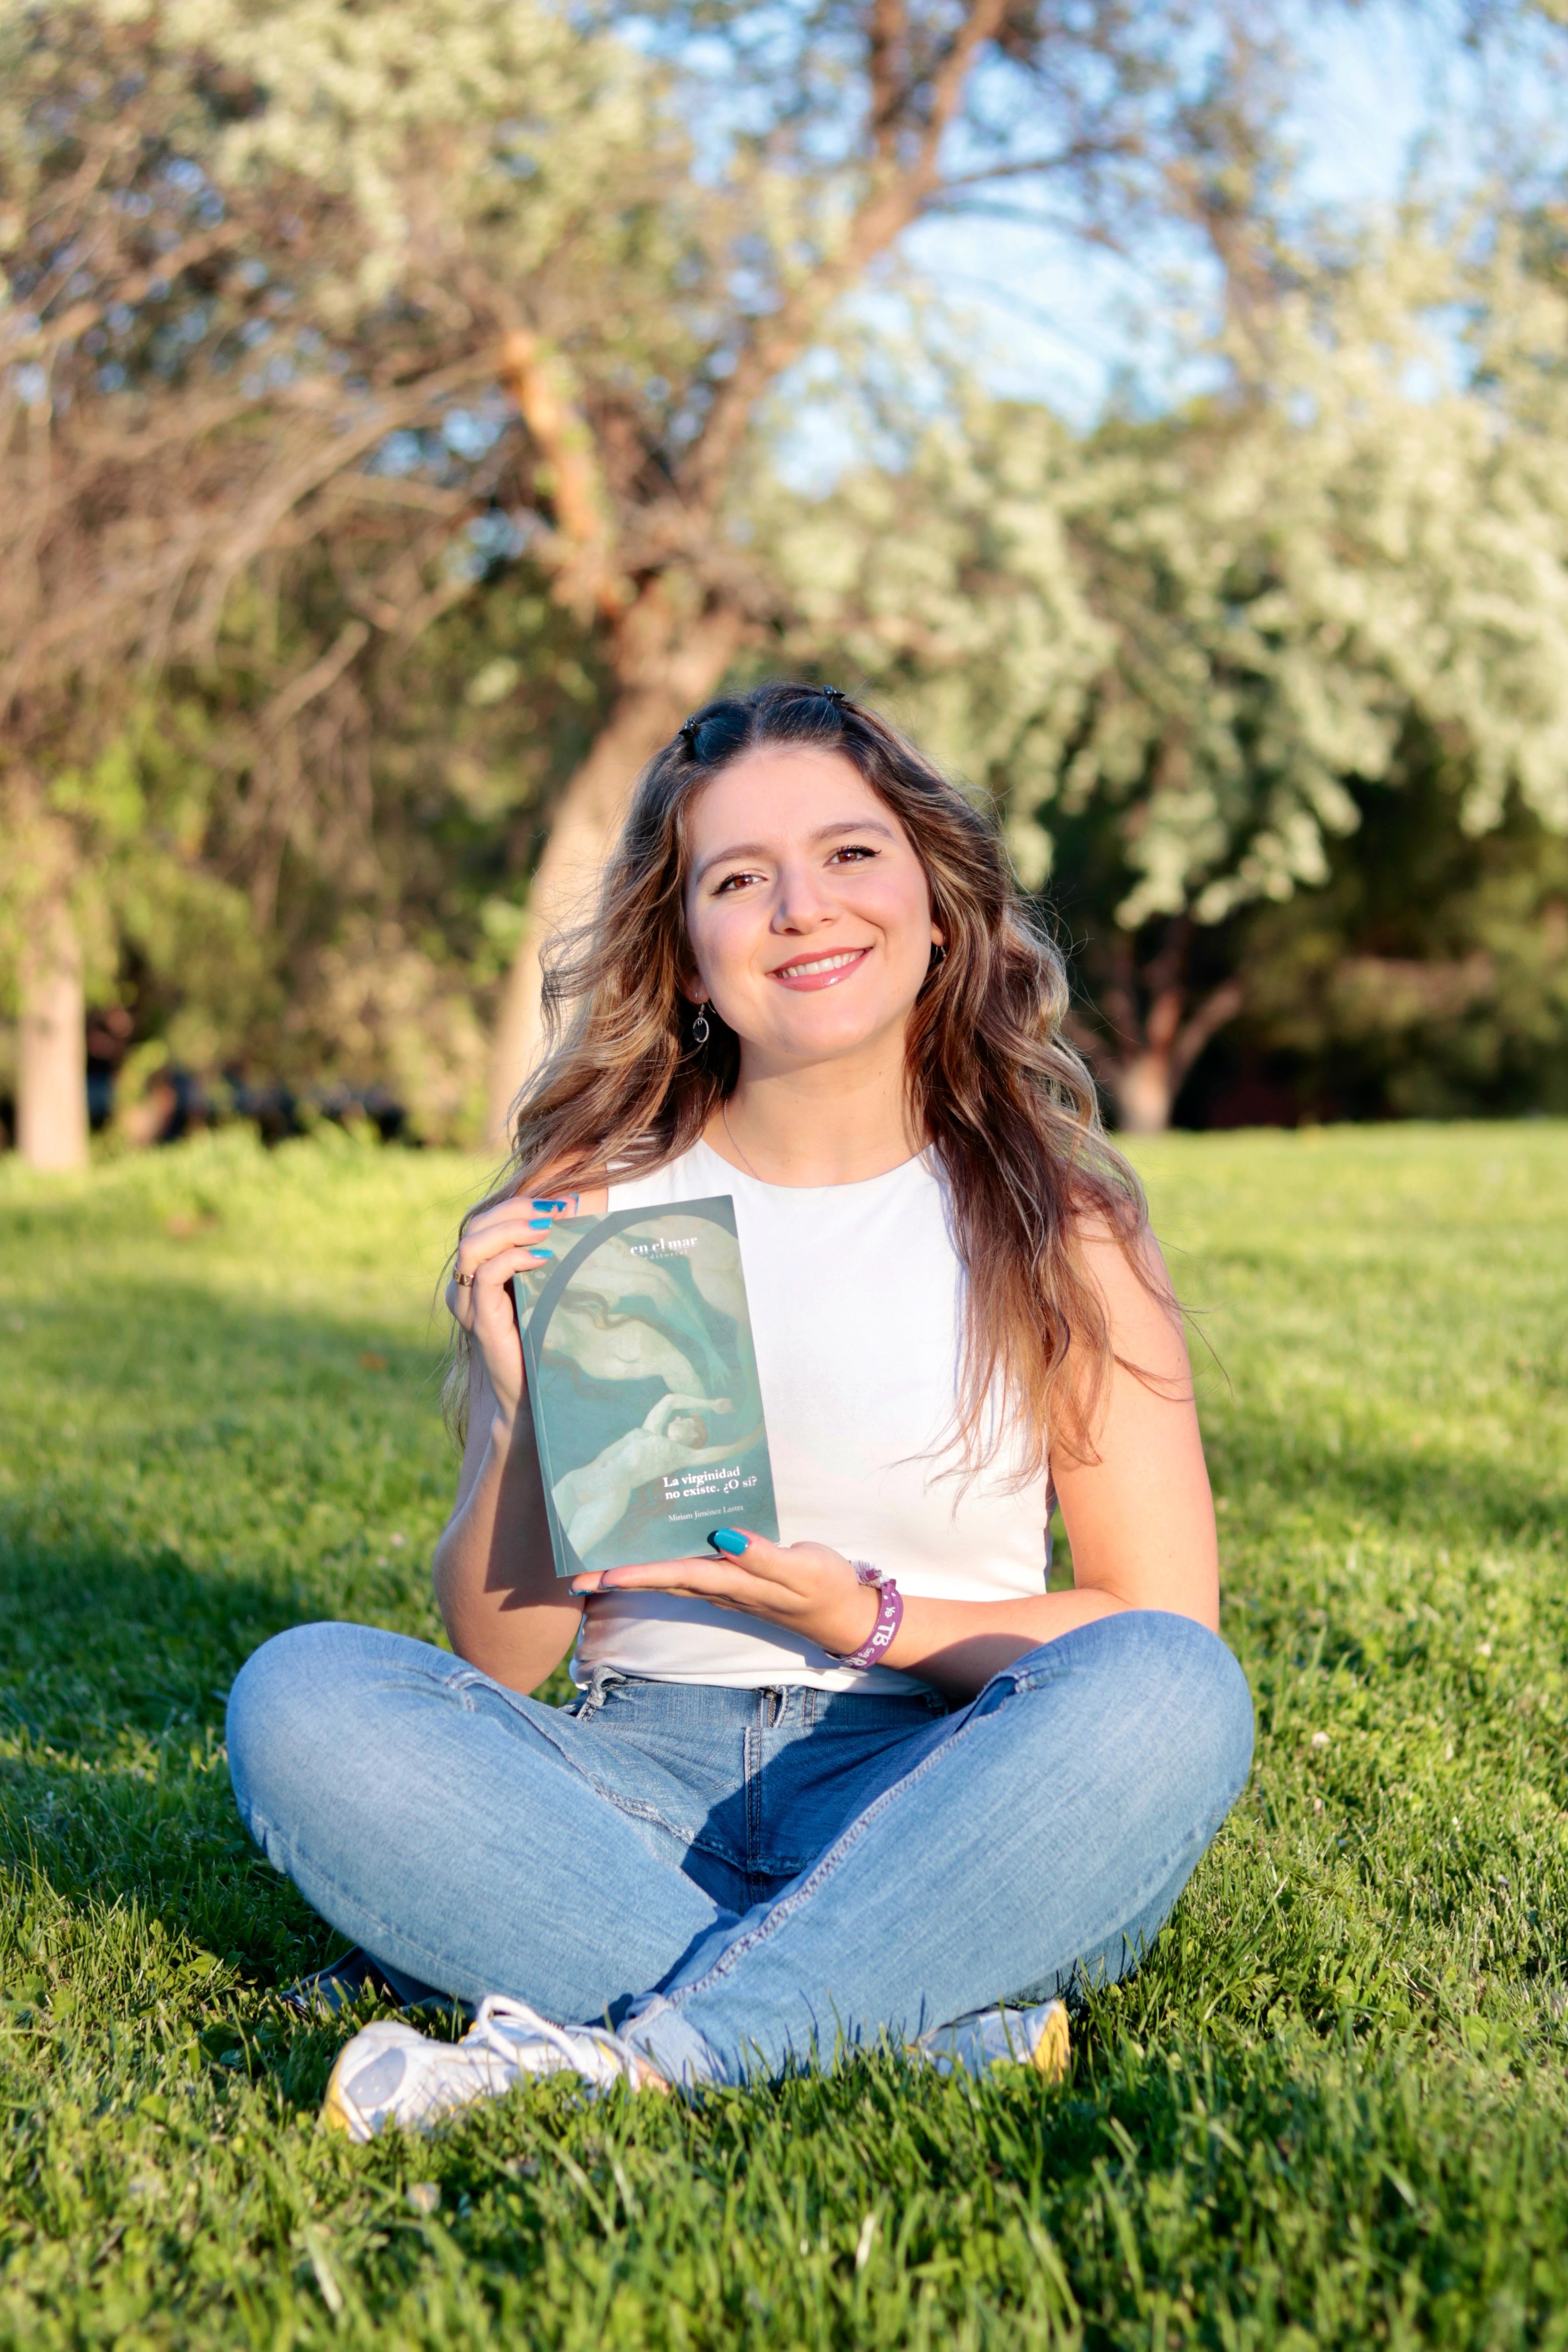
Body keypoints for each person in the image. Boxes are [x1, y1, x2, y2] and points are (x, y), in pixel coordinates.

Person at [226, 681, 1253, 2139]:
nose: (802, 908)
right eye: (739, 878)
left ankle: (643, 2044)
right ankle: (913, 2007)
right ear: (692, 958)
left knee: (1175, 1700)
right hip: (634, 1773)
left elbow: (1159, 1628)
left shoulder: (1058, 1222)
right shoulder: (587, 1210)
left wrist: (875, 1623)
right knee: (304, 1697)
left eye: (849, 855)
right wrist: (526, 1425)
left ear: (937, 904)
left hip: (949, 1774)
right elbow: (501, 1660)